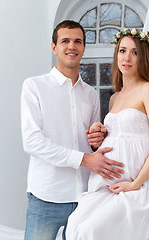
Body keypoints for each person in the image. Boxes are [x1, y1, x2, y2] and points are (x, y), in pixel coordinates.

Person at [20, 20, 124, 240]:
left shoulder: (91, 94)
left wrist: (98, 138)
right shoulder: (34, 86)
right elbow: (32, 142)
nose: (72, 46)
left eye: (78, 41)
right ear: (54, 47)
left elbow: (92, 143)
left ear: (84, 48)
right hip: (46, 195)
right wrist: (85, 159)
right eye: (65, 40)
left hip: (84, 197)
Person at [66, 28, 149, 240]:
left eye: (134, 52)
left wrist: (135, 184)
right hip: (106, 181)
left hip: (138, 183)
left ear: (144, 57)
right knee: (74, 225)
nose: (127, 58)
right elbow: (119, 135)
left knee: (90, 231)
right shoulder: (115, 98)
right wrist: (100, 135)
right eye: (122, 50)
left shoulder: (148, 90)